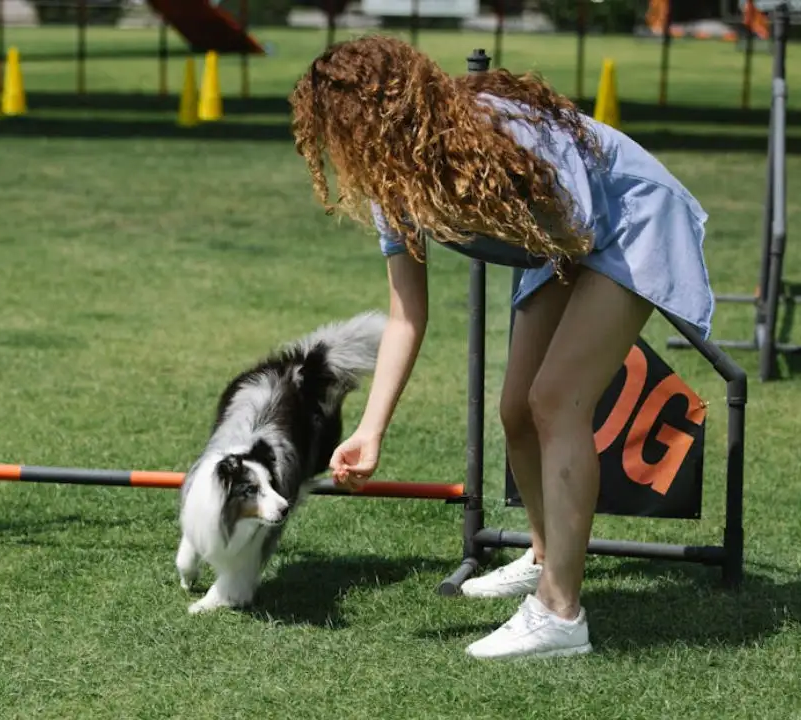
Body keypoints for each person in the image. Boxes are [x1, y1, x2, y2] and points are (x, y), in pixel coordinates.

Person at [287, 35, 714, 661]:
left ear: (375, 114)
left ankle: (560, 613)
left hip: (627, 222)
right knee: (518, 408)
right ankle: (544, 557)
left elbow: (582, 223)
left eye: (341, 129)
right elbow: (407, 316)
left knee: (555, 400)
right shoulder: (392, 183)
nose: (338, 149)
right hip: (562, 246)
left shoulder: (499, 128)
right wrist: (371, 431)